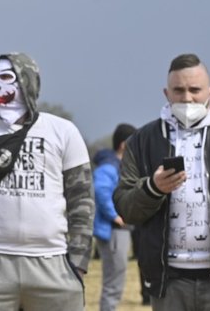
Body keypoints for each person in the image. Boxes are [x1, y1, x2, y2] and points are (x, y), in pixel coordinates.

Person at [0, 53, 93, 311]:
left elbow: (82, 200)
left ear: (27, 82)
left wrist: (78, 264)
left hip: (53, 264)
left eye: (5, 77)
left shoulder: (63, 131)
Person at [114, 53, 210, 309]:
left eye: (195, 90)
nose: (187, 98)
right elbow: (126, 207)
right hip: (169, 280)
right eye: (178, 90)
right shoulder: (143, 140)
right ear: (166, 93)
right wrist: (152, 188)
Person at [93, 123, 136, 311]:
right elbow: (101, 191)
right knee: (114, 280)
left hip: (118, 231)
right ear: (124, 144)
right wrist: (115, 216)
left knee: (116, 278)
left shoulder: (117, 165)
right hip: (113, 230)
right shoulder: (109, 167)